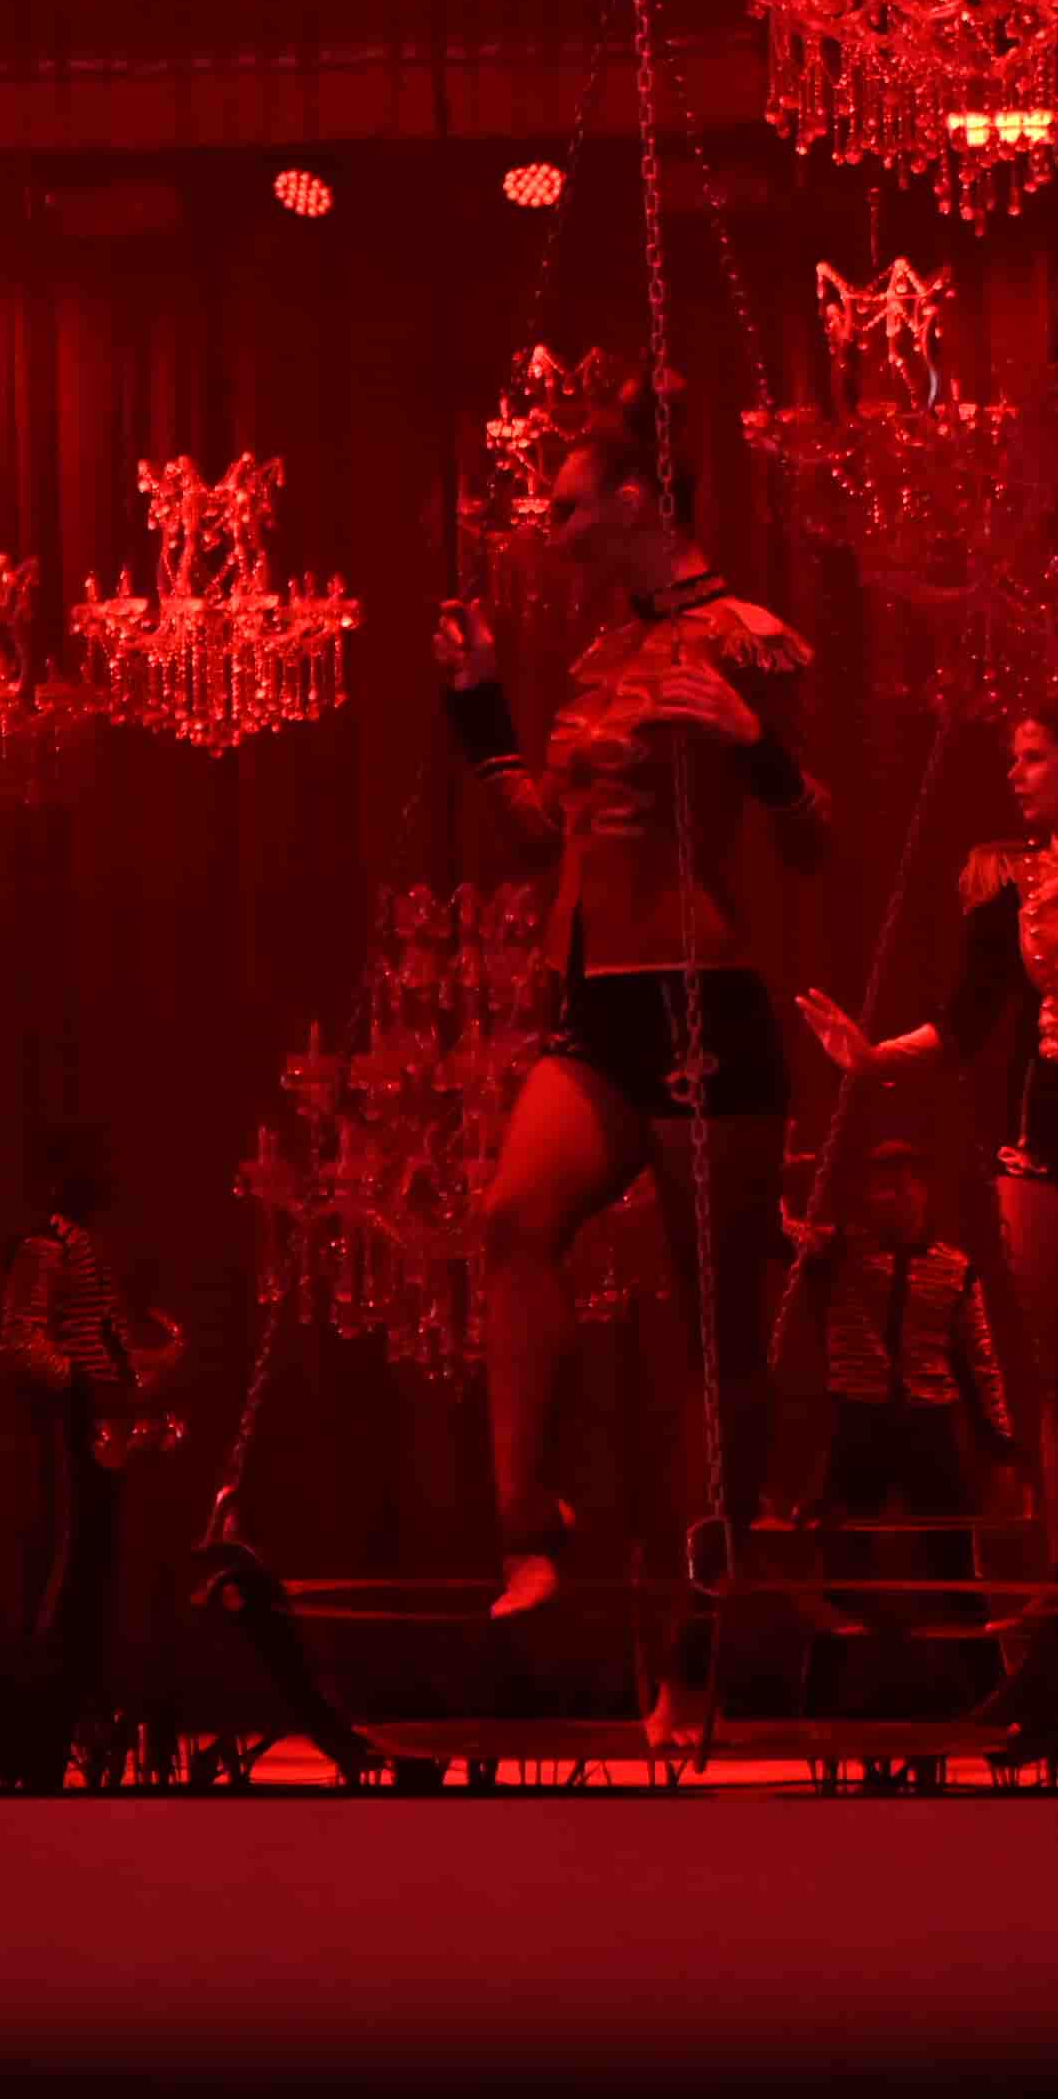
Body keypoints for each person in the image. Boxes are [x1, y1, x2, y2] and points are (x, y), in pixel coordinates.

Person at [443, 372, 827, 1644]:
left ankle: (707, 1609)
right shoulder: (602, 655)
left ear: (635, 500)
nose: (549, 530)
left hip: (702, 1000)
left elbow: (815, 841)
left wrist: (757, 741)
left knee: (716, 1324)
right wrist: (480, 707)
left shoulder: (745, 637)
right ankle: (526, 1525)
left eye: (565, 507)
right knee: (512, 1221)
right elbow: (545, 836)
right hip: (593, 1000)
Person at [800, 706, 1058, 1577]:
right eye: (1014, 759)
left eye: (1032, 757)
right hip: (1040, 1131)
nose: (1013, 775)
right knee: (1056, 1381)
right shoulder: (1010, 881)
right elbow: (969, 1014)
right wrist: (873, 1058)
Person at [0, 1123, 178, 1787]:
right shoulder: (43, 1250)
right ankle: (40, 1738)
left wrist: (143, 1374)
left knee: (96, 1579)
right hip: (71, 1425)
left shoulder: (87, 1248)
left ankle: (79, 1714)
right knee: (69, 1574)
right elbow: (19, 1341)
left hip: (103, 1422)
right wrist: (82, 1384)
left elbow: (108, 1335)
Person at [779, 1136, 1010, 1586]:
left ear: (924, 1189)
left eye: (905, 1183)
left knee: (951, 1553)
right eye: (883, 1185)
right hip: (857, 1417)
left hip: (929, 1419)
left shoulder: (954, 1267)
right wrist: (778, 1173)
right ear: (867, 1194)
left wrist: (1000, 1443)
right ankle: (842, 1624)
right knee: (844, 1555)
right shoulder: (837, 1251)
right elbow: (779, 1230)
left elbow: (980, 1358)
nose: (894, 1195)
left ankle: (967, 1625)